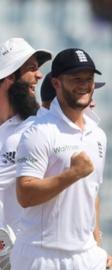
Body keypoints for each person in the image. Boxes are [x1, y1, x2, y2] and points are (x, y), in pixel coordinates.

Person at [12, 48, 109, 269]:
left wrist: (97, 247)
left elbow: (91, 194)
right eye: (76, 79)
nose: (84, 85)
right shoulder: (39, 131)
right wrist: (72, 174)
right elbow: (25, 195)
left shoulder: (98, 135)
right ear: (56, 83)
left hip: (86, 256)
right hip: (41, 256)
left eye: (89, 79)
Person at [0, 37, 51, 270]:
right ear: (9, 76)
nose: (39, 76)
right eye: (32, 69)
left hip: (17, 257)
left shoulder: (37, 129)